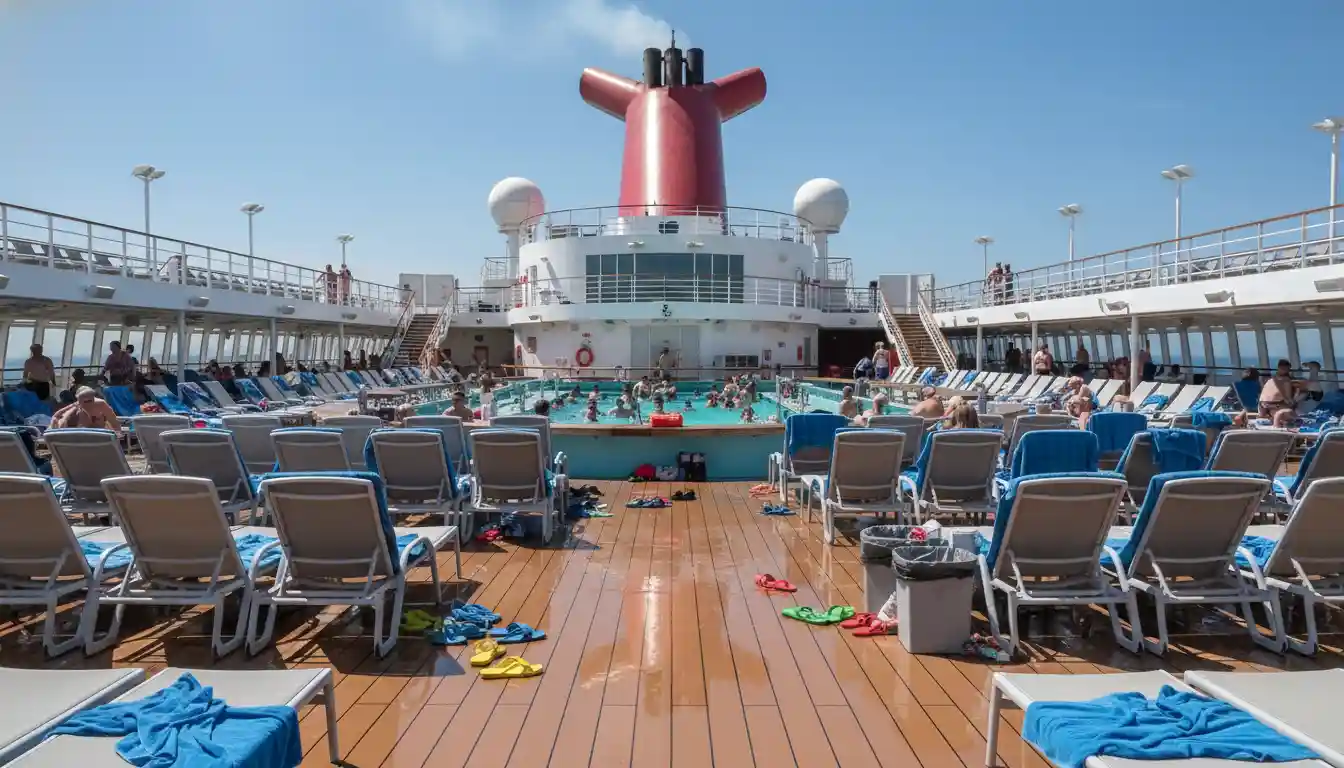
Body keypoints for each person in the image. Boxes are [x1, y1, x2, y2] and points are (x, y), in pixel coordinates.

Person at [52, 386, 121, 431]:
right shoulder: (76, 406)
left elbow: (114, 422)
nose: (88, 404)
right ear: (79, 400)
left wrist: (117, 435)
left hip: (101, 433)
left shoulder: (101, 404)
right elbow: (56, 416)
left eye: (90, 400)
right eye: (85, 401)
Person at [1258, 359, 1299, 428]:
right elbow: (1288, 400)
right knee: (1292, 414)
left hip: (1261, 407)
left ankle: (1273, 419)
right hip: (1275, 406)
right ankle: (1277, 424)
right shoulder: (1286, 380)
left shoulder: (1270, 379)